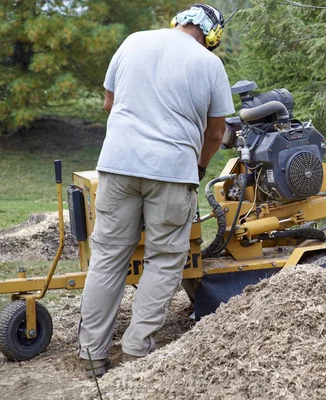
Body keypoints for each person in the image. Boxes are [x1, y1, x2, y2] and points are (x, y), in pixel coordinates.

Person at [77, 3, 235, 378]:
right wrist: (198, 167)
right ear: (212, 37)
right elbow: (216, 133)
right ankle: (136, 353)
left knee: (108, 258)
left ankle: (91, 355)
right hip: (172, 172)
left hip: (116, 167)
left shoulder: (132, 42)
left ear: (177, 21)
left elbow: (109, 103)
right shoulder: (210, 65)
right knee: (164, 259)